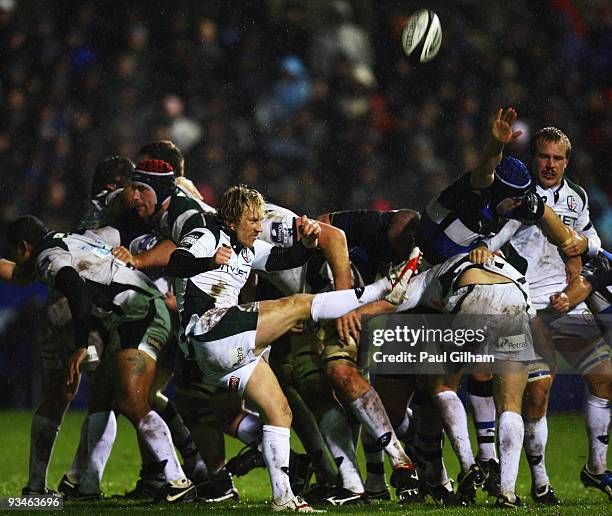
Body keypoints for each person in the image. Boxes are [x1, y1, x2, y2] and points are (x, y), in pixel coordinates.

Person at [165, 184, 418, 512]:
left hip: (221, 352)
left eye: (260, 220)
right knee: (299, 304)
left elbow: (286, 258)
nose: (259, 227)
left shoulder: (248, 248)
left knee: (279, 412)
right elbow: (176, 262)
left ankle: (284, 497)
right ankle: (384, 289)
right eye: (253, 221)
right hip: (210, 328)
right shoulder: (207, 233)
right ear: (230, 220)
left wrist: (308, 244)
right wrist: (209, 260)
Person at [4, 216, 196, 504]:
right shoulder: (79, 237)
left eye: (15, 254)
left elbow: (77, 292)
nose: (17, 261)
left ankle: (178, 481)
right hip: (136, 311)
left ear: (23, 246)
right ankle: (87, 488)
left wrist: (81, 345)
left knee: (133, 400)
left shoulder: (48, 256)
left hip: (140, 314)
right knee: (102, 395)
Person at [482, 127, 611, 503]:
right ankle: (540, 484)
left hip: (567, 304)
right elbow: (493, 239)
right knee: (538, 392)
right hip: (527, 304)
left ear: (566, 162)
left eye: (557, 158)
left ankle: (597, 470)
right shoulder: (517, 195)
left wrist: (585, 254)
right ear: (533, 158)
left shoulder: (577, 197)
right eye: (544, 157)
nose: (550, 164)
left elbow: (590, 241)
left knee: (604, 380)